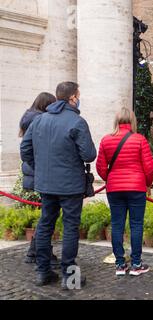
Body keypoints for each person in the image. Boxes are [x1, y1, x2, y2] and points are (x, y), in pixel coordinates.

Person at [20, 82, 97, 289]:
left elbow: (25, 150)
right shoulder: (77, 122)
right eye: (78, 95)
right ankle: (68, 276)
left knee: (45, 225)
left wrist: (41, 168)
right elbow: (89, 154)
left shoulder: (39, 120)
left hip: (46, 184)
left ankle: (43, 272)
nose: (78, 99)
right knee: (70, 227)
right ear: (72, 97)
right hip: (70, 185)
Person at [96, 107, 153, 276]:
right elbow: (149, 167)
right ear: (132, 121)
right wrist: (147, 183)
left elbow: (100, 167)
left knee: (117, 225)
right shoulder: (139, 140)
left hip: (114, 188)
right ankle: (136, 264)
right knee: (136, 225)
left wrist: (111, 178)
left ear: (116, 121)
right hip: (136, 187)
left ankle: (120, 264)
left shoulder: (106, 140)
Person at [18, 92, 60, 268]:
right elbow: (31, 150)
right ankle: (42, 254)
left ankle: (35, 251)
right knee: (48, 217)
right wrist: (41, 166)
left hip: (35, 172)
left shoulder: (29, 119)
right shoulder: (40, 121)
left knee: (47, 215)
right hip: (41, 173)